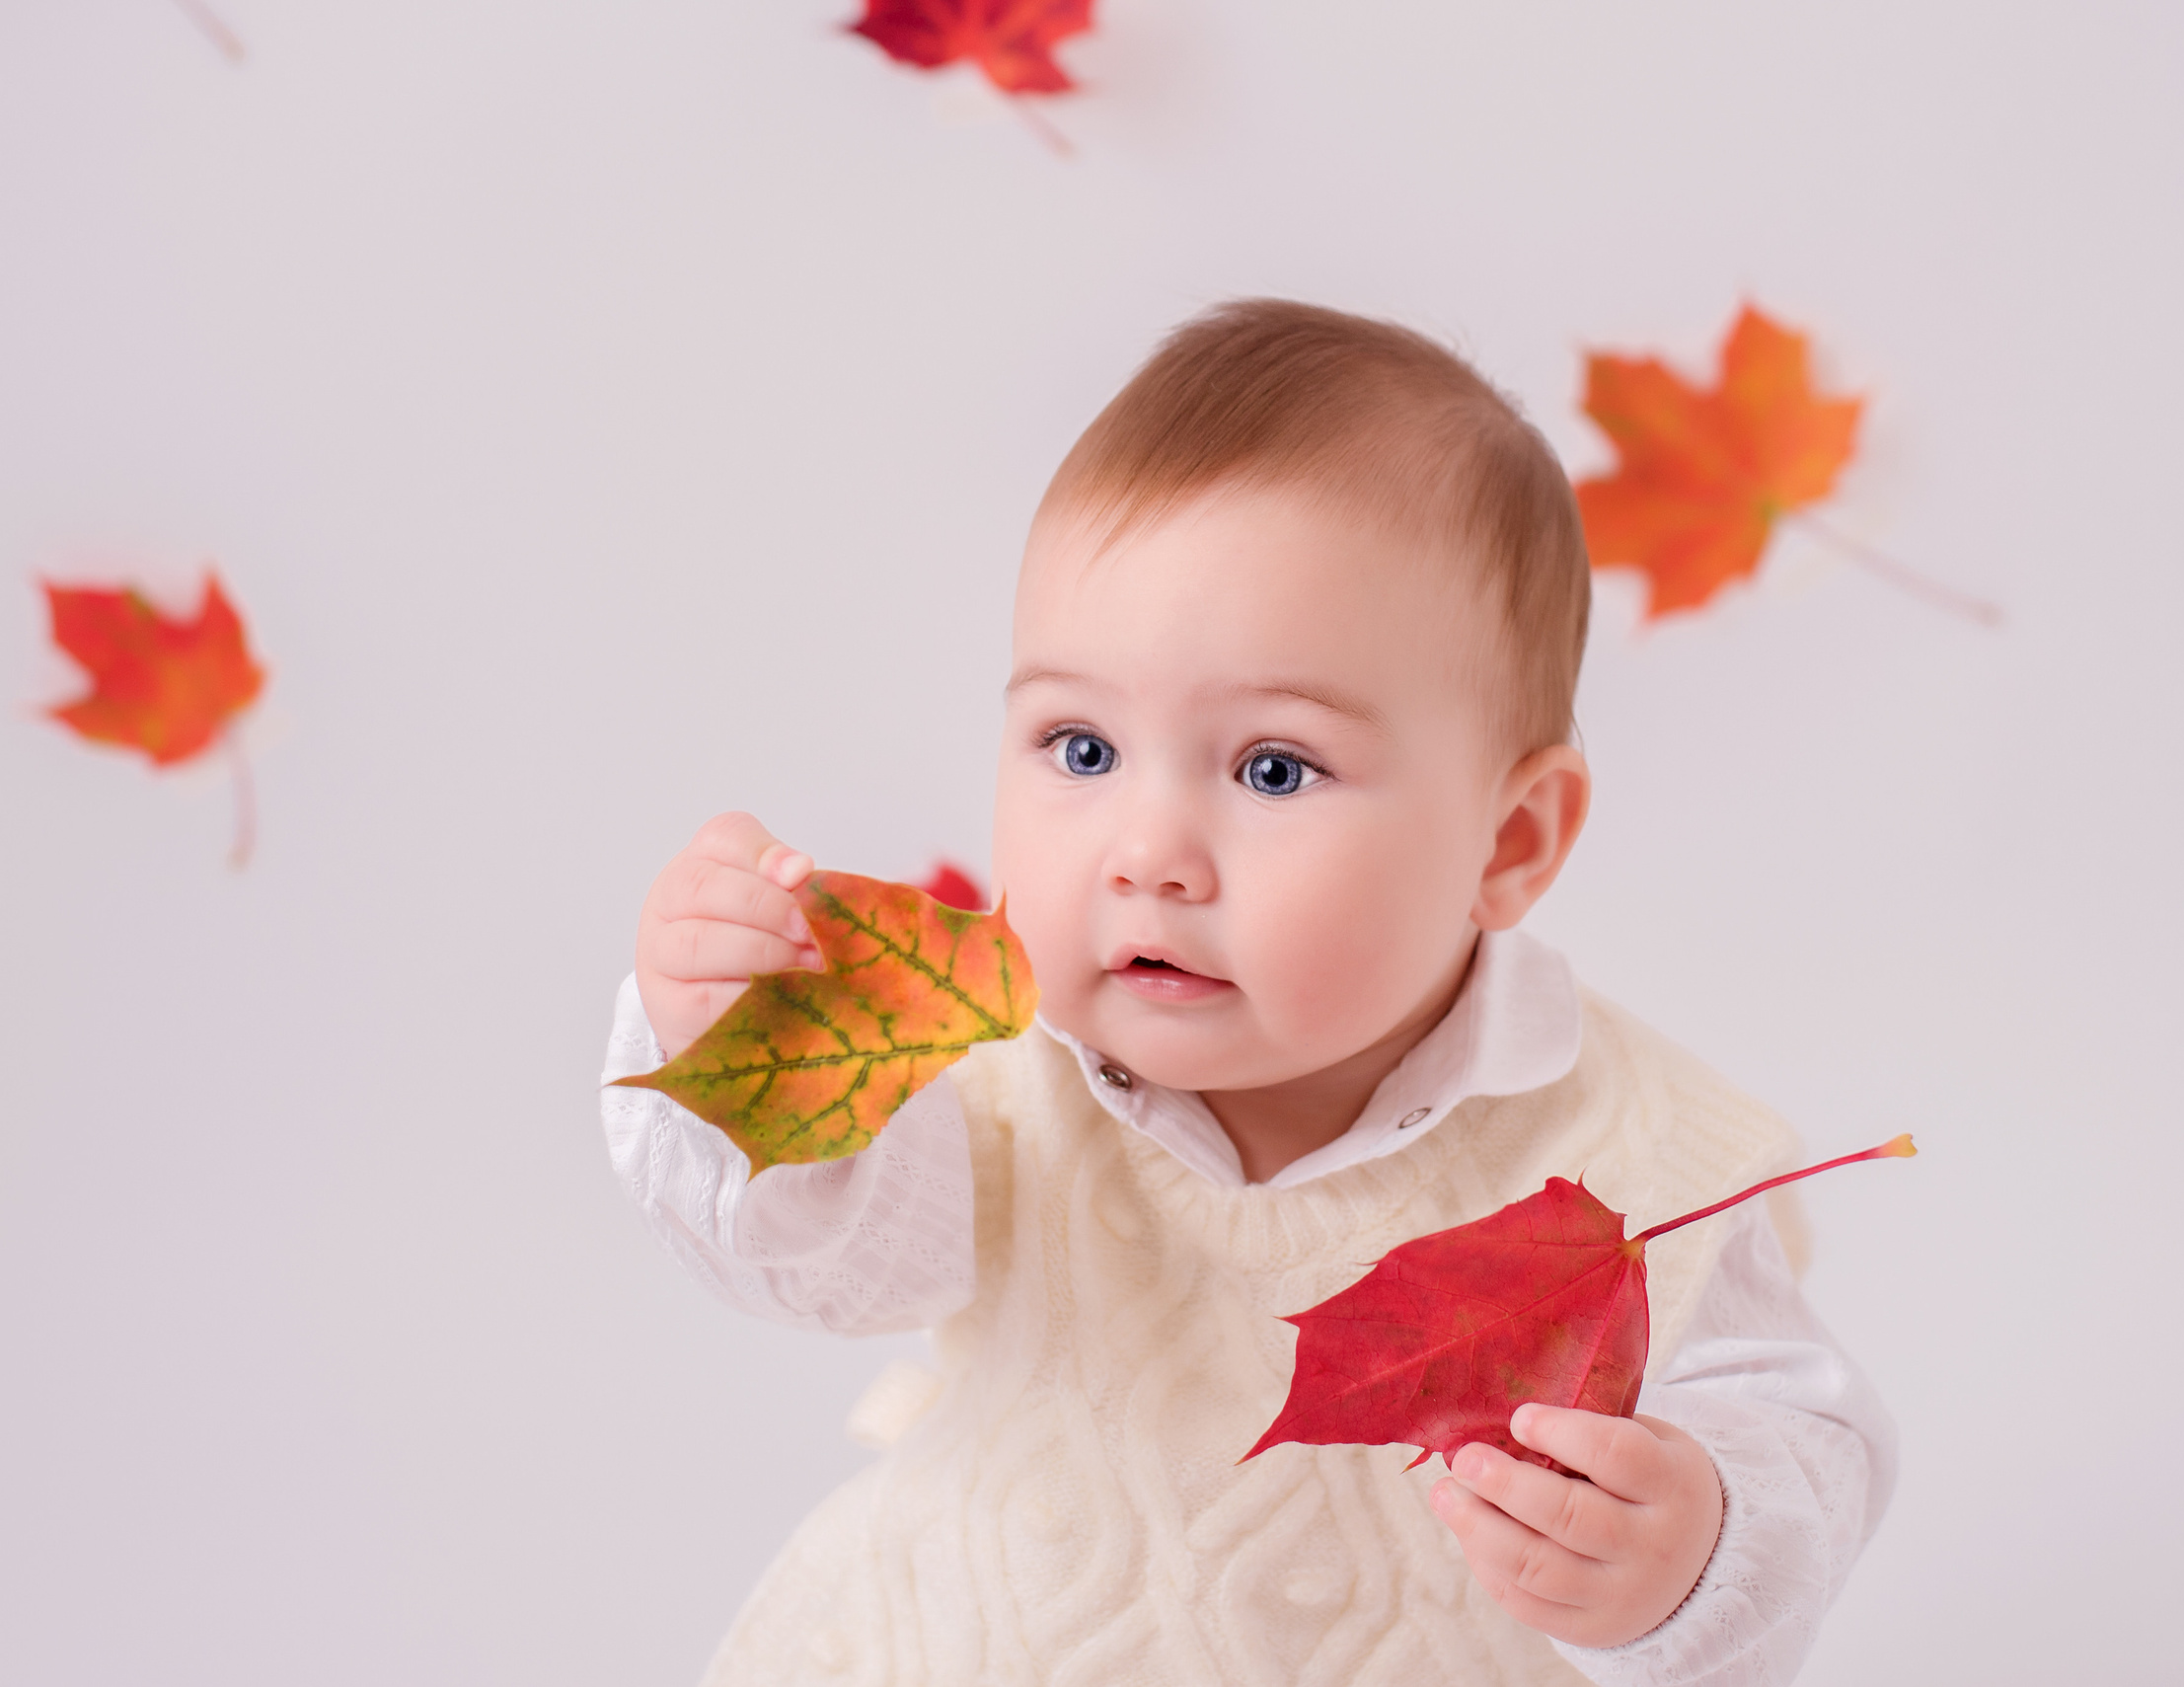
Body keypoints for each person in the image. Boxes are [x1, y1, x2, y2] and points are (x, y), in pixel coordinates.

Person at [599, 300, 1895, 1686]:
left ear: (1506, 841)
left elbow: (1799, 1437)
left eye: (1272, 769)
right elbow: (830, 1257)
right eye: (1081, 746)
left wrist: (1693, 1544)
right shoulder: (989, 1061)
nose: (1146, 853)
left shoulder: (1640, 1158)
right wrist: (761, 1054)